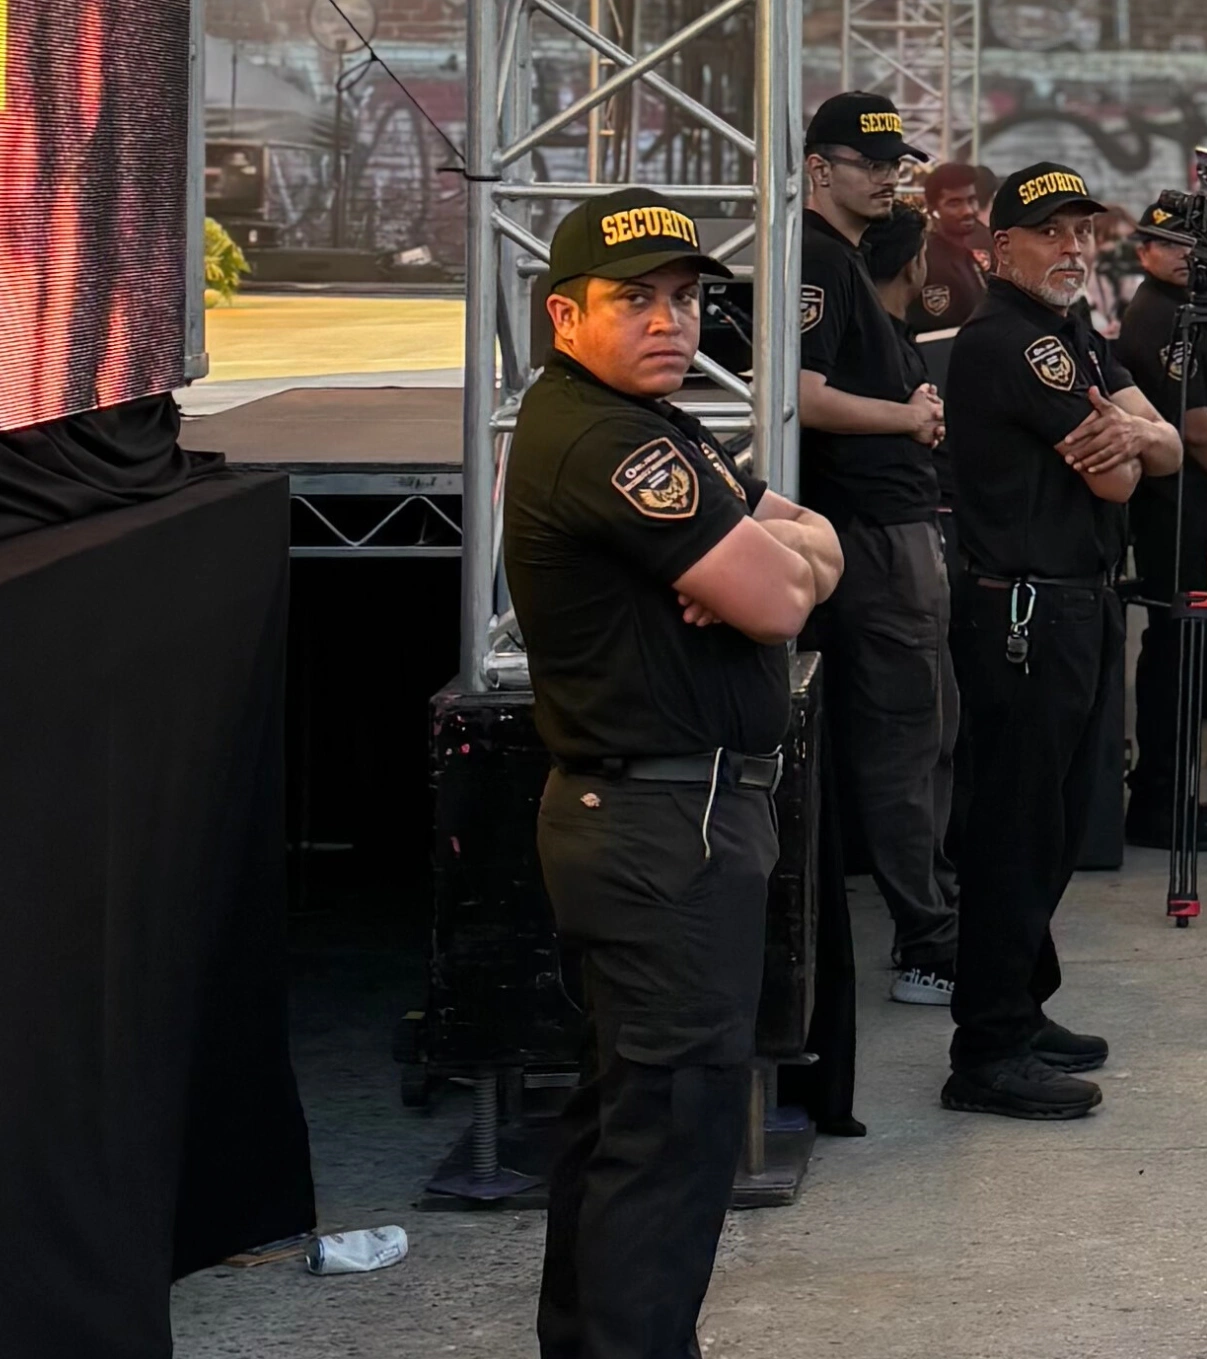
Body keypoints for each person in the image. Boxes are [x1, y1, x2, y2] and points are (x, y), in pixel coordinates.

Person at [504, 187, 844, 1359]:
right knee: (670, 1136)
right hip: (660, 823)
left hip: (660, 815)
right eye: (634, 300)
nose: (671, 322)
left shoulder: (652, 423)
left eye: (687, 298)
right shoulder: (607, 440)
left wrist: (774, 560)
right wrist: (772, 567)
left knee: (630, 1121)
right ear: (563, 313)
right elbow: (784, 589)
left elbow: (805, 544)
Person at [943, 162, 1182, 1119]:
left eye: (1083, 232)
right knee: (1014, 829)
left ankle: (1019, 1005)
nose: (1074, 249)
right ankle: (987, 1049)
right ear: (1000, 248)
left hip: (1071, 600)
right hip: (1025, 609)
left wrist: (1137, 436)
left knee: (1050, 824)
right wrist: (1135, 442)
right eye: (1052, 232)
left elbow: (1153, 443)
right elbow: (1123, 477)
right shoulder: (1010, 339)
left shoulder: (1068, 328)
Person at [798, 90, 958, 1006]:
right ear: (820, 168)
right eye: (872, 162)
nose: (891, 175)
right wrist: (905, 413)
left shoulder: (846, 259)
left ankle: (930, 919)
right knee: (906, 739)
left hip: (892, 525)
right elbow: (803, 392)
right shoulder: (818, 258)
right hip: (870, 531)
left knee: (930, 732)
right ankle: (926, 942)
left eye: (898, 161)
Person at [1114, 202, 1207, 848]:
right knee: (1180, 656)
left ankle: (1170, 798)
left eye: (1191, 246)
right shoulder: (1159, 317)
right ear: (1143, 249)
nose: (1183, 256)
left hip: (1186, 515)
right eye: (1169, 244)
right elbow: (1197, 428)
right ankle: (1159, 803)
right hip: (1178, 518)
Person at [909, 162, 989, 333]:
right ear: (933, 209)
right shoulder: (925, 260)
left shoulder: (968, 256)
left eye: (972, 200)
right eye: (954, 203)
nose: (968, 210)